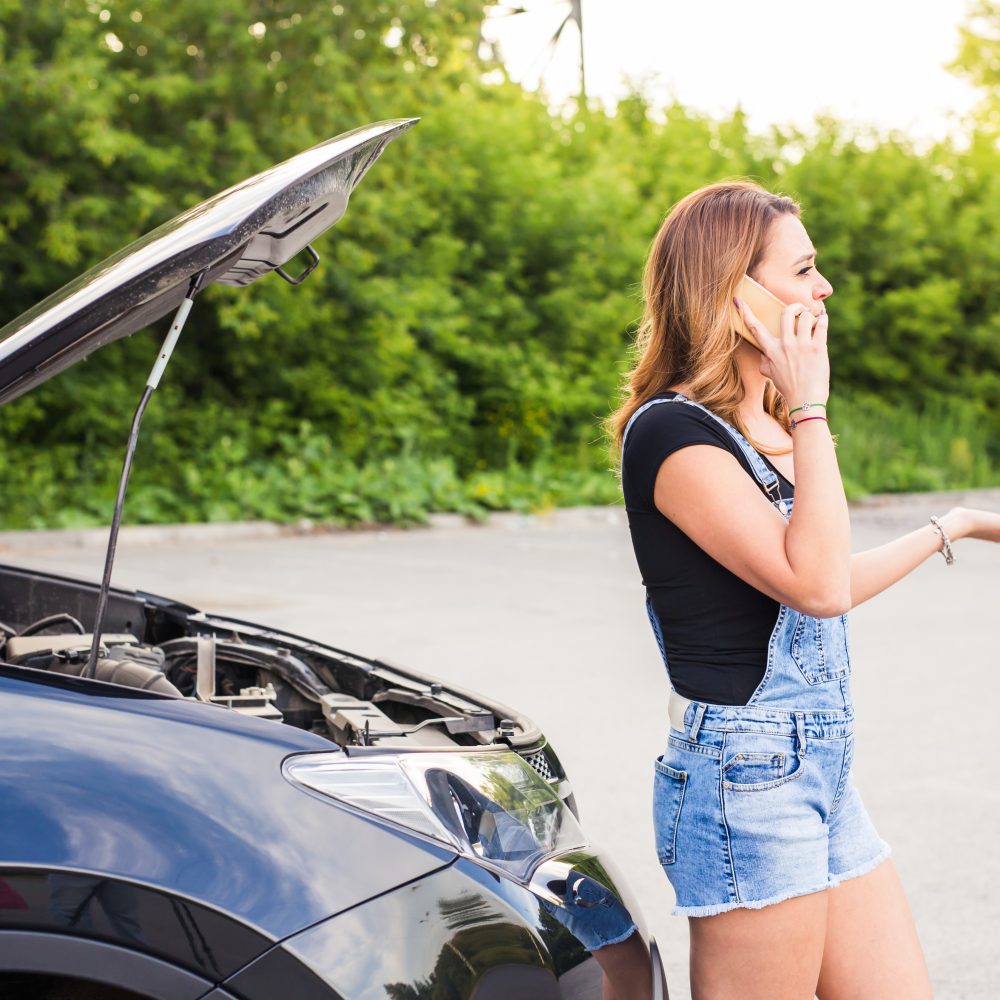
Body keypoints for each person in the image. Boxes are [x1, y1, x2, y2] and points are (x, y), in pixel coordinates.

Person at [610, 180, 1000, 999]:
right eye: (805, 270)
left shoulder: (779, 424)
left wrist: (952, 528)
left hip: (821, 766)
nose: (824, 290)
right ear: (734, 291)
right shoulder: (671, 433)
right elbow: (818, 585)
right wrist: (813, 410)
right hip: (745, 779)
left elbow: (821, 583)